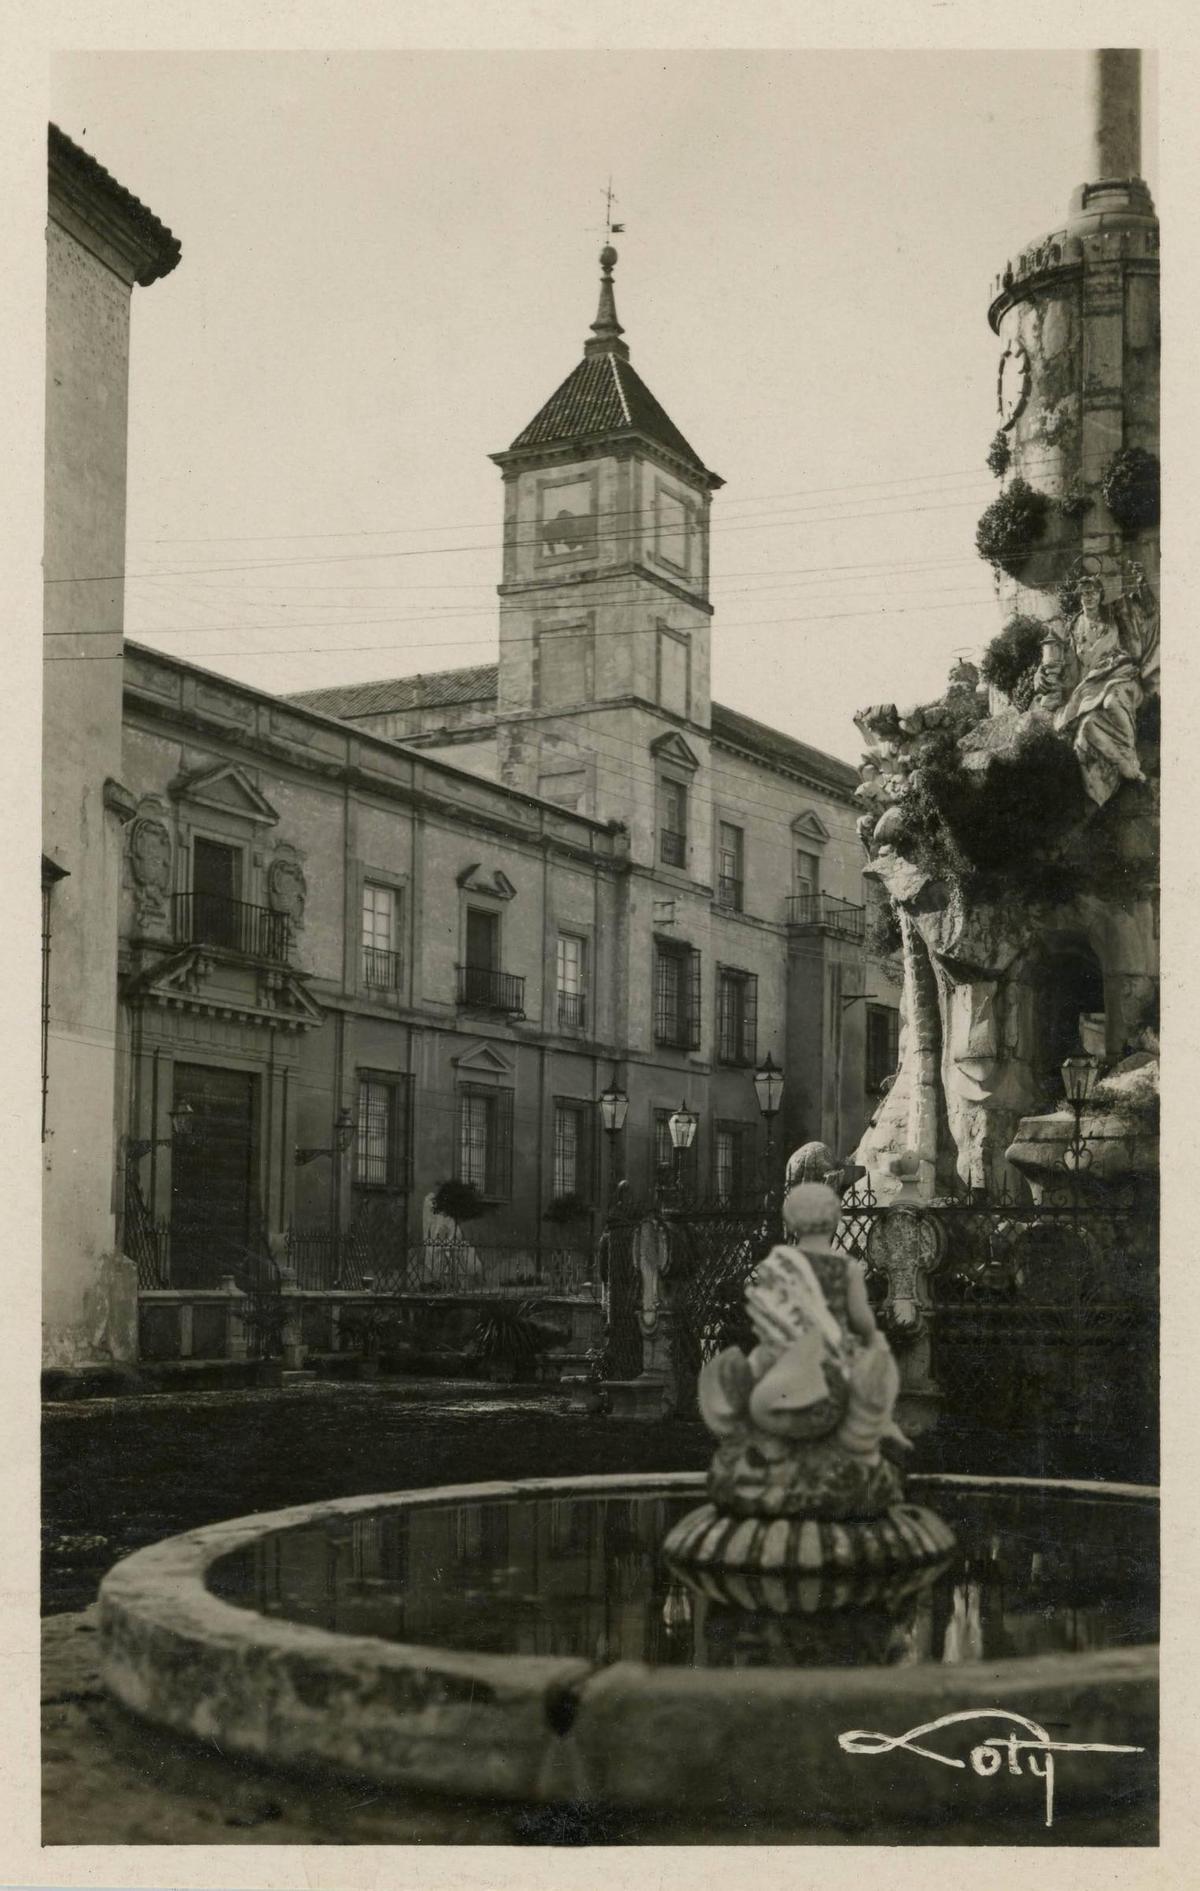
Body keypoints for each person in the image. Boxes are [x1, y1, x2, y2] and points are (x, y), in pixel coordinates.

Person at [1035, 571, 1159, 807]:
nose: (1088, 596)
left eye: (1093, 591)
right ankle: (1125, 771)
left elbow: (1144, 611)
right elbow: (1061, 665)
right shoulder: (1074, 627)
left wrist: (1142, 584)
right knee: (1087, 727)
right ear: (1079, 595)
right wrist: (1042, 674)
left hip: (1121, 677)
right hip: (1091, 687)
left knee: (1112, 702)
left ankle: (1129, 753)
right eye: (1084, 592)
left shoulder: (1114, 614)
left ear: (1101, 594)